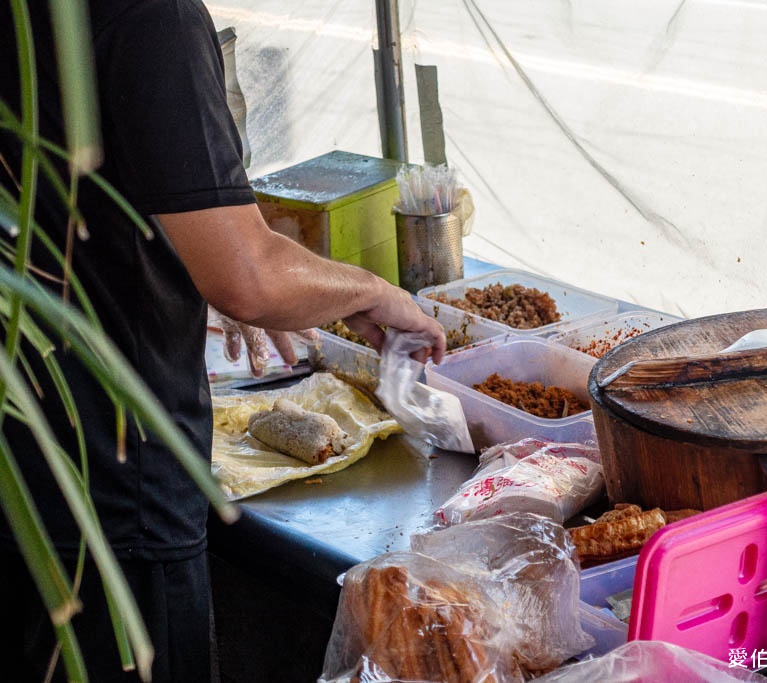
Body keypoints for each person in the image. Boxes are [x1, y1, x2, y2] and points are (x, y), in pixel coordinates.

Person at [0, 1, 445, 681]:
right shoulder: (156, 16)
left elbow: (86, 189)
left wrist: (202, 253)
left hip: (25, 468)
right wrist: (374, 292)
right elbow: (249, 274)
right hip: (115, 497)